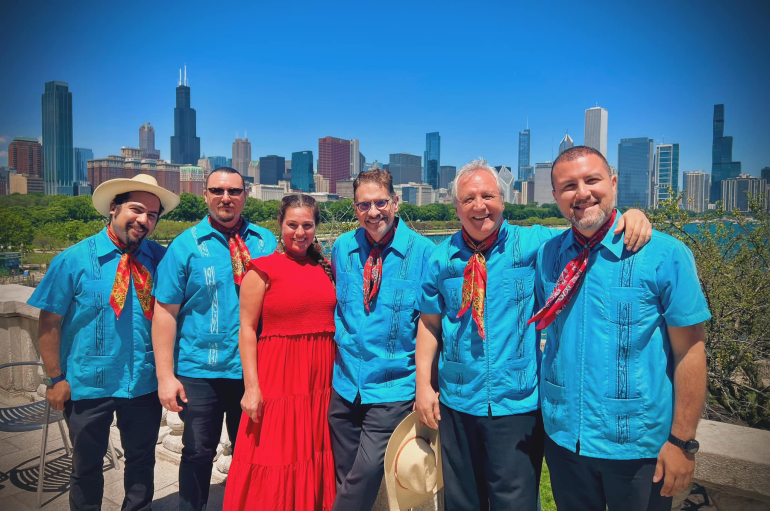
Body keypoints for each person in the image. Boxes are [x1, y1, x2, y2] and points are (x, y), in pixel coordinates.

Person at [415, 158, 652, 511]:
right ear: (456, 206)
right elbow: (430, 324)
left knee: (516, 502)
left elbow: (587, 227)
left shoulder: (535, 243)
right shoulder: (440, 258)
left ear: (503, 200)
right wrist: (424, 386)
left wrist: (631, 215)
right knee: (462, 501)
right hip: (457, 401)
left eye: (488, 196)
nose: (480, 206)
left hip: (518, 403)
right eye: (468, 199)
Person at [532, 146, 709, 511]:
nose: (582, 193)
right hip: (565, 440)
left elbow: (689, 350)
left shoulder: (664, 254)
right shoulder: (547, 255)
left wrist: (682, 442)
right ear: (555, 198)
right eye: (568, 186)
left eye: (592, 180)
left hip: (638, 445)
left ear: (613, 183)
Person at [28, 174, 179, 511]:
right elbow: (49, 321)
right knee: (86, 468)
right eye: (136, 209)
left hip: (143, 382)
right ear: (114, 208)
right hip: (85, 385)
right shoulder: (73, 260)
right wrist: (55, 379)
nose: (144, 220)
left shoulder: (163, 260)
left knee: (142, 465)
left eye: (153, 215)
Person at [152, 167, 277, 511]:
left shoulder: (265, 241)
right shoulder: (185, 245)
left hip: (252, 369)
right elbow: (165, 312)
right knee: (197, 452)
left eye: (234, 191)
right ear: (205, 195)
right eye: (218, 190)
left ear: (245, 196)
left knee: (251, 450)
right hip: (199, 370)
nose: (226, 197)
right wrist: (166, 376)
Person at [328, 166, 437, 511]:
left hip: (393, 387)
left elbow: (431, 323)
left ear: (396, 202)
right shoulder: (342, 247)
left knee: (365, 473)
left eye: (380, 202)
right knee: (347, 476)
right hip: (345, 385)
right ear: (355, 207)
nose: (373, 212)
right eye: (363, 205)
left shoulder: (424, 253)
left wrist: (426, 385)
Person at [222, 194, 337, 510]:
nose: (299, 233)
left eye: (307, 225)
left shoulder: (326, 269)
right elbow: (246, 329)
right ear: (280, 225)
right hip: (279, 381)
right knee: (274, 456)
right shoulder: (260, 270)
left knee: (314, 454)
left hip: (321, 383)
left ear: (315, 228)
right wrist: (251, 387)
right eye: (292, 225)